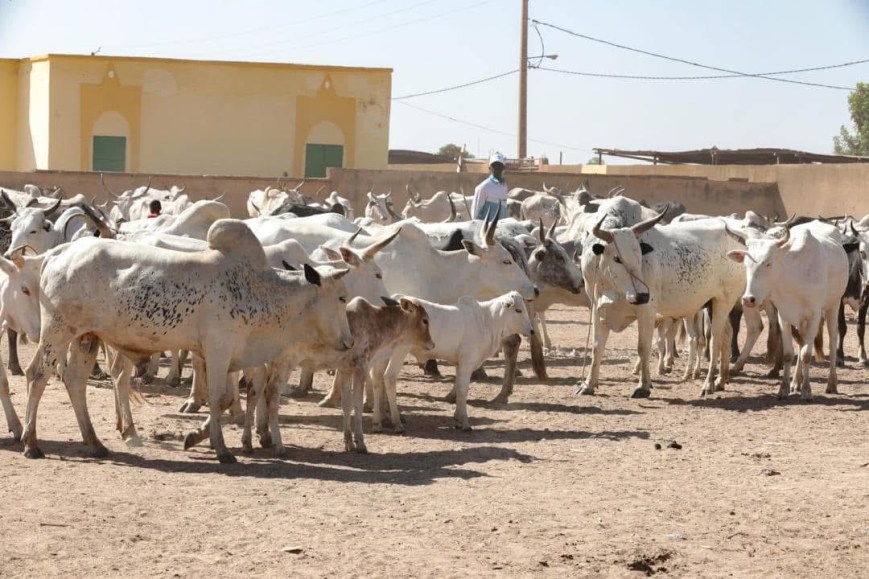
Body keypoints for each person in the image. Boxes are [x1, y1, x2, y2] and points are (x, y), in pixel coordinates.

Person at [471, 152, 508, 220]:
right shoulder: (483, 187)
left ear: (503, 168)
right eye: (494, 166)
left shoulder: (504, 186)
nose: (497, 169)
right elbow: (475, 213)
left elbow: (504, 210)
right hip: (487, 229)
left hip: (502, 227)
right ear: (489, 168)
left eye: (500, 166)